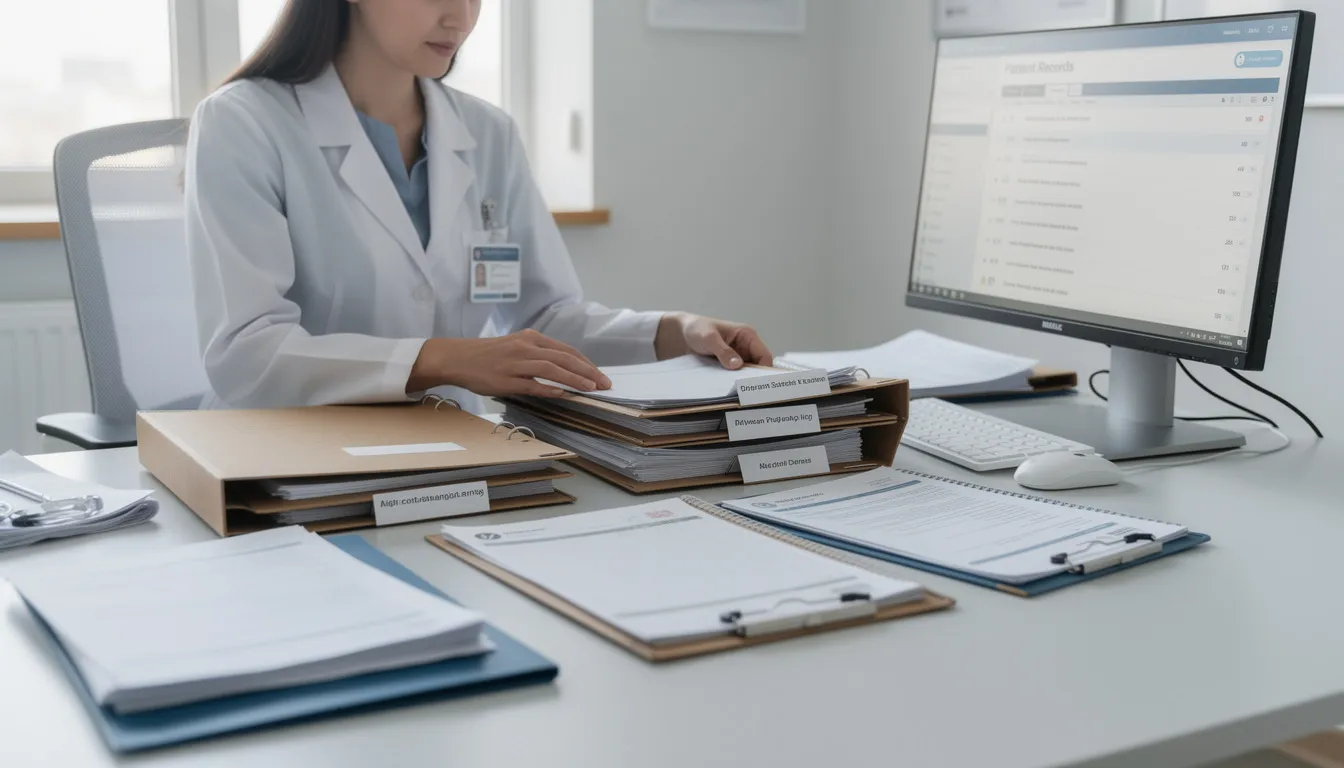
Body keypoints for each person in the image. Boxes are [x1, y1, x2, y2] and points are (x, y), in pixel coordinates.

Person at [185, 0, 773, 411]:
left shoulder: (488, 133)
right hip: (282, 455)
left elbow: (544, 323)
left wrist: (674, 331)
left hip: (449, 456)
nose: (461, 18)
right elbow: (247, 353)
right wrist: (443, 360)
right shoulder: (244, 123)